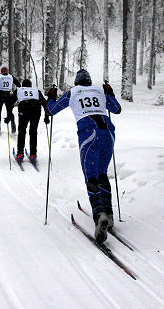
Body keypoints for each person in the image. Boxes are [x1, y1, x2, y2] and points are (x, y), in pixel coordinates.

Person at [46, 69, 121, 243]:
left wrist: (51, 96)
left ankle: (99, 214)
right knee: (102, 173)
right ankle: (109, 214)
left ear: (77, 82)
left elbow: (52, 110)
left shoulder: (73, 92)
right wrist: (110, 92)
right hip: (108, 133)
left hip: (88, 132)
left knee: (91, 177)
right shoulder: (100, 90)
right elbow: (116, 109)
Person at [9, 79, 50, 162]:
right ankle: (33, 154)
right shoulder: (36, 91)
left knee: (22, 131)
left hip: (24, 110)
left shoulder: (19, 90)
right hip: (36, 110)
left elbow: (10, 102)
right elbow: (45, 104)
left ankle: (20, 153)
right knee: (33, 131)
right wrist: (47, 117)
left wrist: (9, 114)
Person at [0, 66, 20, 134]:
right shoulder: (11, 76)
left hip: (0, 95)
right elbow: (18, 85)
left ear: (1, 72)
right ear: (7, 71)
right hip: (8, 95)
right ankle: (13, 127)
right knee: (9, 111)